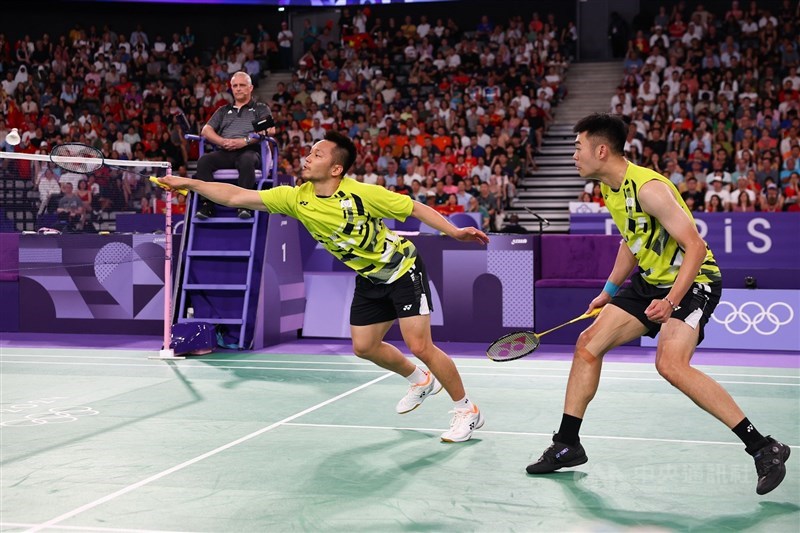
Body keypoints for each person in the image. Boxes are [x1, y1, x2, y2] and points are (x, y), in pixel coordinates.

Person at [160, 131, 490, 443]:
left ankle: (467, 409)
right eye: (308, 152)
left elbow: (414, 207)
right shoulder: (295, 198)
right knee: (364, 347)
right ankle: (419, 379)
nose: (307, 157)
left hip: (402, 269)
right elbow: (235, 195)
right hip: (369, 278)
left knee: (419, 345)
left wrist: (453, 231)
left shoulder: (363, 194)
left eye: (316, 154)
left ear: (335, 168)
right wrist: (189, 183)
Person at [526, 114, 790, 496]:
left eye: (578, 147)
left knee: (670, 363)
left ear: (601, 150)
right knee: (587, 345)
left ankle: (763, 447)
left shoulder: (648, 188)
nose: (573, 155)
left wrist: (671, 301)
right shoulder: (610, 189)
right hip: (650, 281)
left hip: (692, 282)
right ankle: (568, 444)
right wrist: (610, 289)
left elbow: (696, 247)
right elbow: (631, 242)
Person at [194, 71, 275, 220]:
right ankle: (208, 205)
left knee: (246, 160)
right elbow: (206, 130)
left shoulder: (259, 108)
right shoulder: (224, 110)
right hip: (226, 151)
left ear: (250, 88)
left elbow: (270, 129)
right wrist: (222, 141)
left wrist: (244, 141)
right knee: (204, 161)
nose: (238, 89)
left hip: (250, 151)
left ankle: (244, 205)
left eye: (242, 85)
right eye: (235, 86)